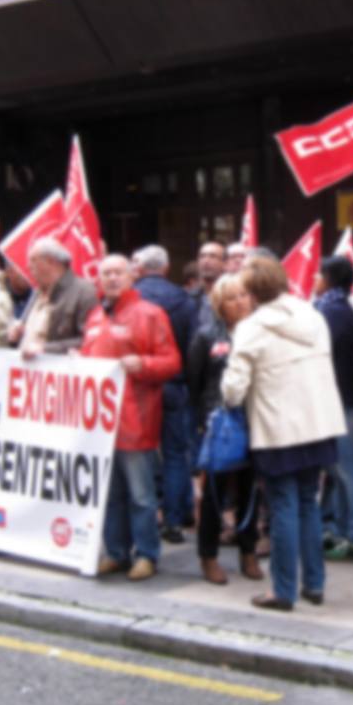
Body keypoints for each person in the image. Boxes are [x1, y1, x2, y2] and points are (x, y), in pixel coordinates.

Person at [221, 255, 346, 611]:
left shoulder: (251, 327)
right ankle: (315, 584)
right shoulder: (313, 315)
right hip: (318, 424)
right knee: (308, 502)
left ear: (250, 291)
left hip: (278, 428)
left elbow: (233, 389)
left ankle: (283, 590)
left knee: (284, 507)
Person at [81, 254, 181, 581]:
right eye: (105, 273)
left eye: (117, 273)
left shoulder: (150, 314)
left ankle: (147, 554)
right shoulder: (96, 315)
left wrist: (145, 364)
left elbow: (172, 362)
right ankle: (116, 552)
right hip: (101, 422)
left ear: (131, 276)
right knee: (110, 495)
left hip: (136, 419)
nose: (111, 279)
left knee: (141, 495)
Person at [186, 273, 263, 585]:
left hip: (254, 420)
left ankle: (248, 552)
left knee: (249, 491)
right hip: (220, 425)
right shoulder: (206, 336)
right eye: (231, 297)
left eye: (244, 295)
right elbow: (195, 383)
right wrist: (204, 420)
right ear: (219, 304)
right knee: (215, 493)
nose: (240, 302)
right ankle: (208, 554)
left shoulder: (260, 333)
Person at [132, 244, 200, 543]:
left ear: (139, 268)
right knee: (175, 453)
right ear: (166, 267)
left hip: (137, 384)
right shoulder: (183, 300)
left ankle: (145, 519)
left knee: (138, 454)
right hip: (174, 382)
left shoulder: (130, 299)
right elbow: (193, 346)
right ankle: (173, 520)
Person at [314, 255, 353, 561]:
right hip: (341, 398)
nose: (314, 281)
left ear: (330, 278)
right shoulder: (339, 308)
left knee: (347, 470)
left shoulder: (331, 312)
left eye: (318, 275)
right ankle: (342, 530)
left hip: (341, 399)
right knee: (338, 470)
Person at [8, 237, 97, 358]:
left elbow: (90, 339)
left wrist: (46, 349)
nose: (28, 266)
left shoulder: (84, 292)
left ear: (51, 262)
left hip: (61, 372)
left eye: (33, 260)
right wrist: (17, 337)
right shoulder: (36, 293)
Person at [193, 241, 227, 331]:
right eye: (202, 256)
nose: (206, 261)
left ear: (224, 263)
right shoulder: (189, 298)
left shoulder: (231, 298)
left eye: (212, 256)